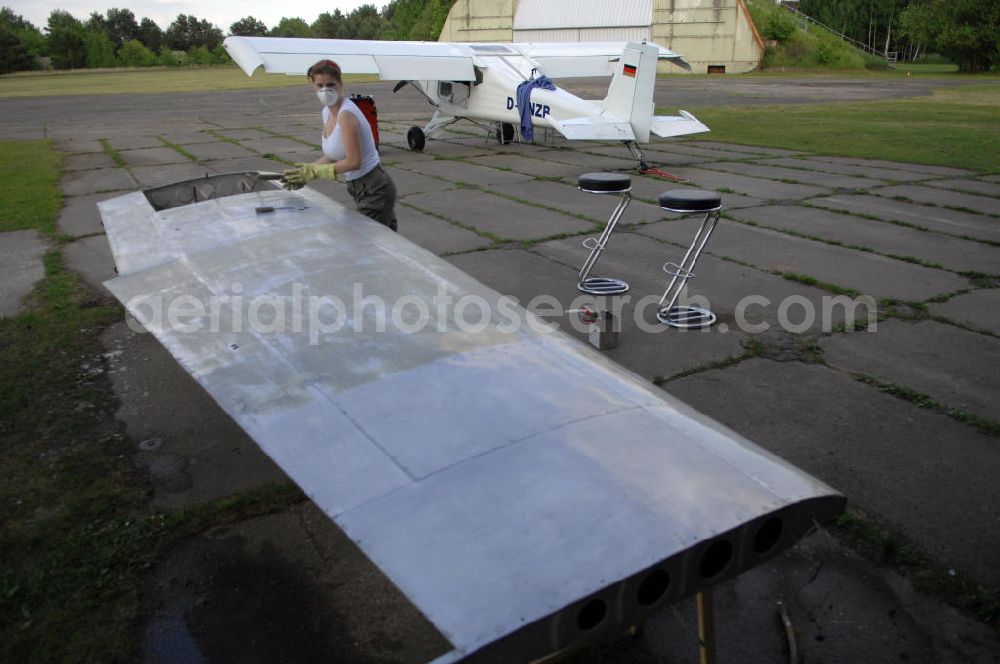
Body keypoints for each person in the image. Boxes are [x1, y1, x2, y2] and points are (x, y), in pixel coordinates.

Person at [282, 59, 398, 231]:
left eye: (330, 84)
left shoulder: (346, 115)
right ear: (313, 86)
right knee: (385, 244)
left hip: (375, 189)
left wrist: (317, 171)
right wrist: (306, 172)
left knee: (358, 241)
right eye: (319, 85)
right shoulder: (327, 112)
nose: (325, 90)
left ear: (341, 84)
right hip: (360, 188)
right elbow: (332, 154)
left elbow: (354, 162)